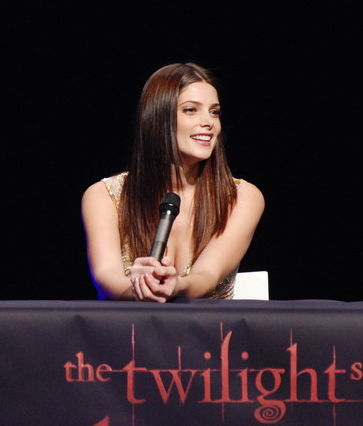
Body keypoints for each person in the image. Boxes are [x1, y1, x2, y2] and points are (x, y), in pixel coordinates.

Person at [82, 63, 264, 302]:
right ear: (158, 118)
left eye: (214, 112)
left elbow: (207, 275)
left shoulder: (241, 197)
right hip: (134, 325)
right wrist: (140, 287)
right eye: (191, 110)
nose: (208, 122)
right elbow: (106, 276)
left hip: (212, 326)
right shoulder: (104, 196)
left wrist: (175, 285)